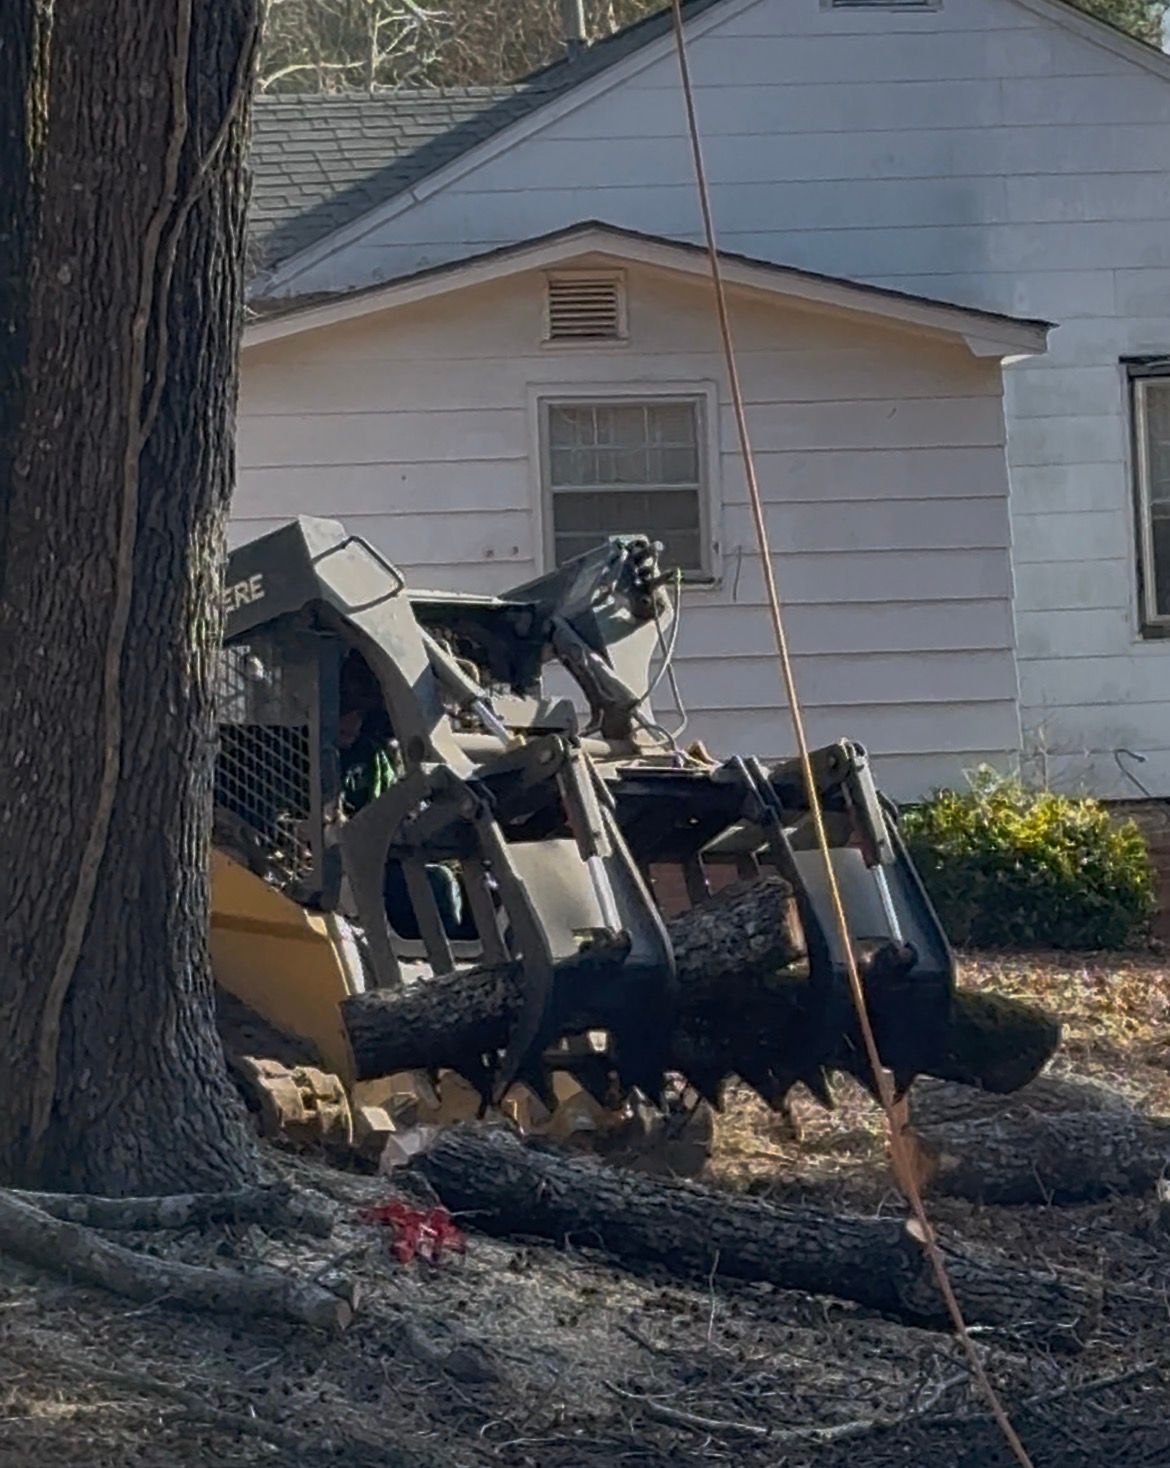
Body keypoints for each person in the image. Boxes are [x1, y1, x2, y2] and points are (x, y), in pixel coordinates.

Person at [337, 658, 471, 942]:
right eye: (344, 712)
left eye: (359, 713)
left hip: (385, 849)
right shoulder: (305, 758)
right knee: (435, 884)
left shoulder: (373, 755)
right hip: (348, 862)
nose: (352, 722)